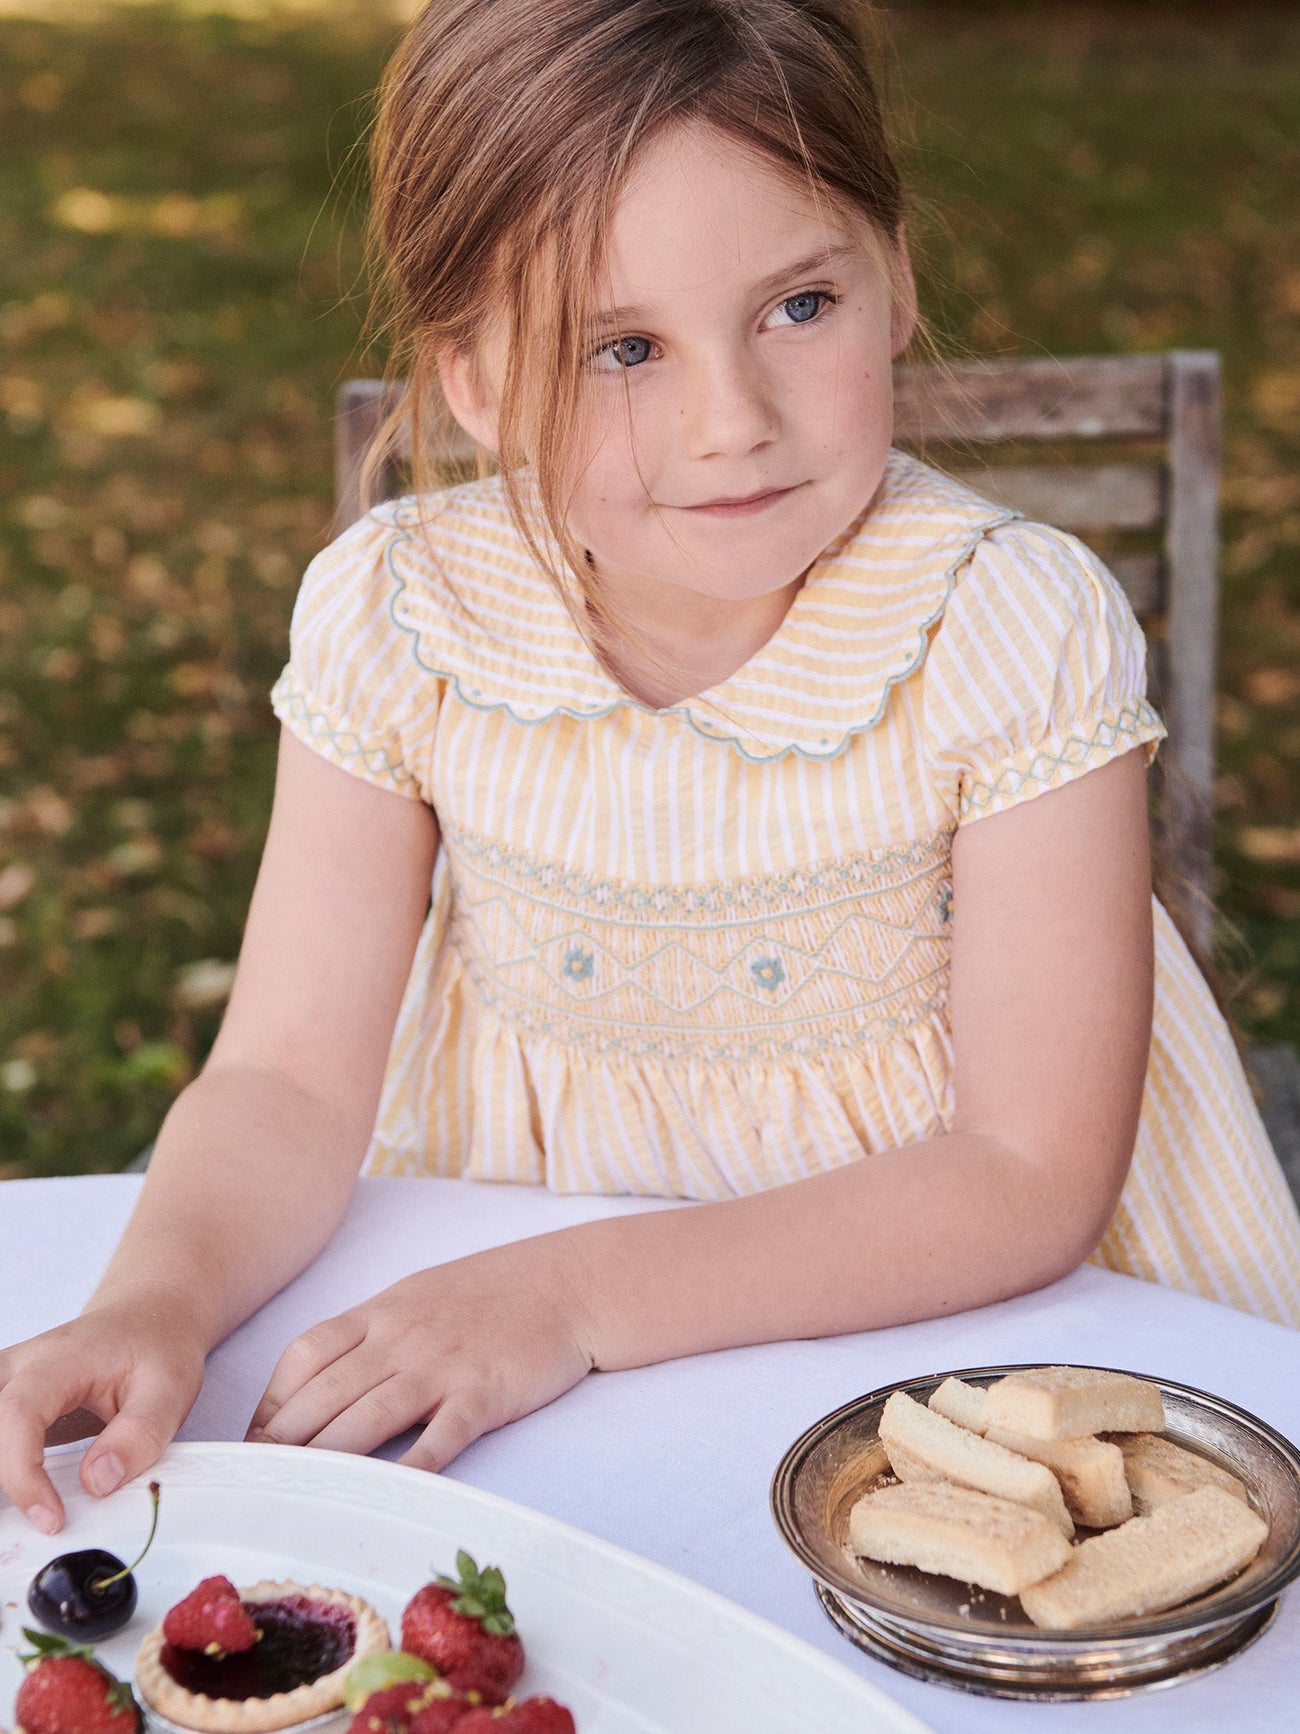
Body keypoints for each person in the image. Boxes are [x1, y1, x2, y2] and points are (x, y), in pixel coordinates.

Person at [3, 0, 1299, 1537]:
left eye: (798, 307)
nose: (730, 422)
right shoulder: (402, 616)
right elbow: (284, 1076)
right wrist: (156, 1298)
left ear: (895, 280)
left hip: (956, 1367)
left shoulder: (1008, 625)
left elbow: (1023, 1171)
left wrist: (566, 1297)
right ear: (475, 385)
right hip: (532, 1370)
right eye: (624, 346)